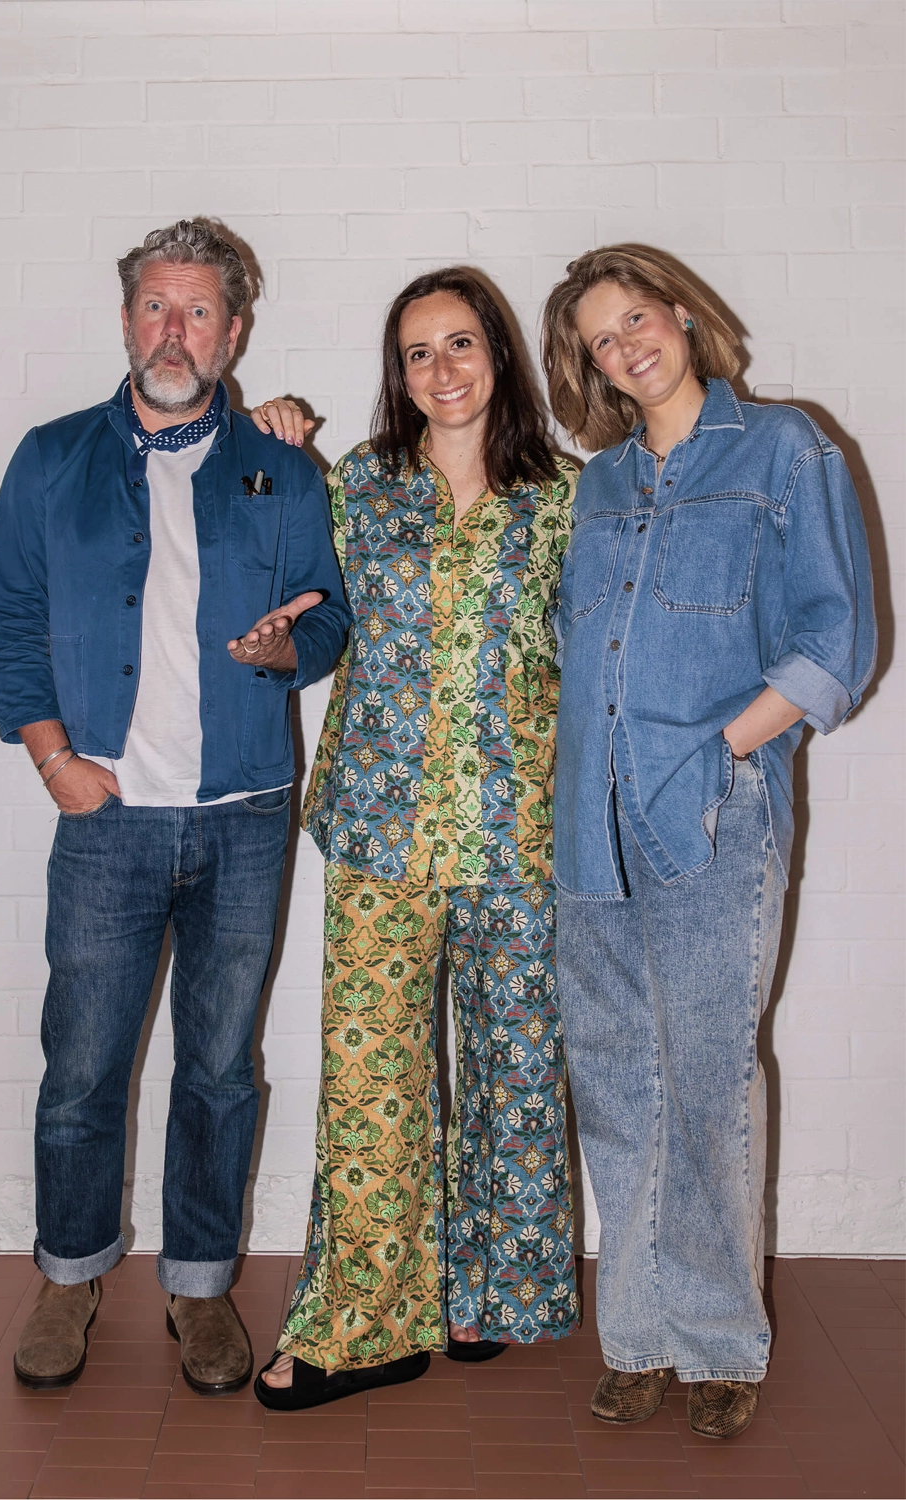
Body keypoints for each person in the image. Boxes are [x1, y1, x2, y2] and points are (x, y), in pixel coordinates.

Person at [0, 220, 350, 1394]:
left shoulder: (283, 469)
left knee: (220, 1068)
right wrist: (53, 762)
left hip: (245, 817)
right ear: (126, 317)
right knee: (82, 1064)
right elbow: (8, 622)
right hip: (106, 820)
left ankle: (200, 1286)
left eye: (197, 312)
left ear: (235, 331)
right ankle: (69, 1275)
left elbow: (331, 616)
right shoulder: (49, 459)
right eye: (153, 306)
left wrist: (286, 651)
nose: (172, 330)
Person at [541, 245, 876, 1439]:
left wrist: (724, 750)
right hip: (586, 824)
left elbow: (836, 642)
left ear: (682, 317)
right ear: (585, 363)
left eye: (636, 317)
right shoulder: (596, 487)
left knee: (708, 1084)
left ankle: (720, 1339)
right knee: (619, 1087)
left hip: (711, 818)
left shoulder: (782, 451)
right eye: (597, 336)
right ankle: (636, 1337)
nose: (625, 345)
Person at [249, 267, 580, 1411]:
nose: (439, 372)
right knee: (370, 1082)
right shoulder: (354, 488)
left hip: (519, 830)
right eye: (415, 354)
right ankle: (368, 1323)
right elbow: (284, 575)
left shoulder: (562, 499)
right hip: (383, 822)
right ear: (396, 375)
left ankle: (485, 1291)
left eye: (459, 345)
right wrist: (272, 436)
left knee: (515, 1072)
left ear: (499, 356)